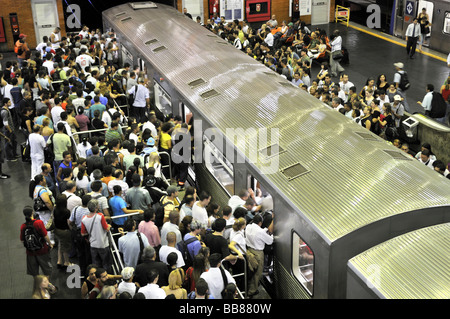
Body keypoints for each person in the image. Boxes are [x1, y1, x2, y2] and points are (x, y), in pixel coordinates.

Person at [20, 206, 54, 278]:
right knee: (47, 270)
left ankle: (38, 287)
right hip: (42, 250)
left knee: (34, 273)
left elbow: (22, 240)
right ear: (32, 212)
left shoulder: (23, 226)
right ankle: (46, 287)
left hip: (30, 252)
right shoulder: (38, 223)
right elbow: (45, 236)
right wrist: (50, 244)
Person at [245, 214, 273, 298]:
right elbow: (269, 241)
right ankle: (252, 291)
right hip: (258, 253)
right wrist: (271, 235)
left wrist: (264, 231)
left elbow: (259, 232)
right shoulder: (260, 232)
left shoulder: (248, 226)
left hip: (249, 250)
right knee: (257, 273)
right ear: (260, 223)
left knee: (251, 270)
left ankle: (249, 287)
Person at [81, 199, 112, 273]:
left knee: (95, 264)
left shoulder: (84, 219)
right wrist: (109, 226)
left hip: (93, 244)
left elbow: (83, 233)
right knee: (106, 263)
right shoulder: (100, 216)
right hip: (103, 244)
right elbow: (106, 228)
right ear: (96, 208)